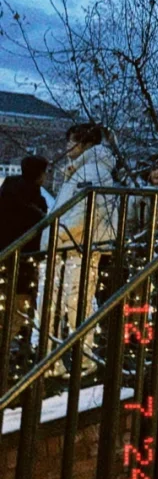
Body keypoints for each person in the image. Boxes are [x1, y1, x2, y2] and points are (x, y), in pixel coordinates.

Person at [51, 122, 120, 332]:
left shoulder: (91, 170)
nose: (67, 146)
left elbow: (86, 212)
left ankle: (80, 356)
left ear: (85, 143)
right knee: (77, 304)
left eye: (71, 141)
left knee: (74, 305)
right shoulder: (87, 168)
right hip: (78, 245)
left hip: (77, 246)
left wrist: (58, 235)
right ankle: (81, 356)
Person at [0, 155, 49, 338]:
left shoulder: (7, 191)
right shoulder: (36, 202)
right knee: (18, 312)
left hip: (4, 259)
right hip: (24, 264)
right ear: (39, 175)